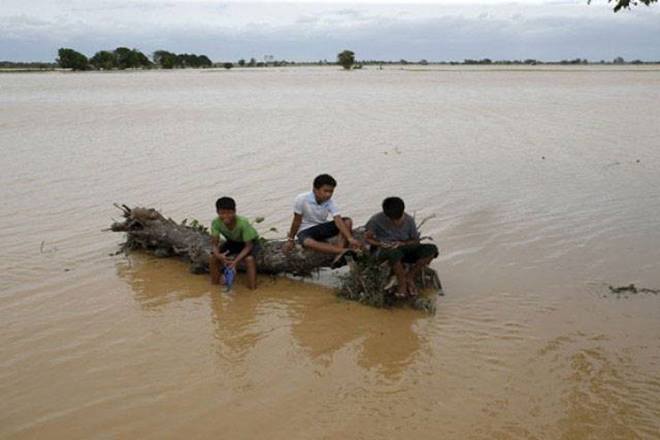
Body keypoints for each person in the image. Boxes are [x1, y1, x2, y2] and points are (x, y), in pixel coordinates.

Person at [365, 197, 438, 297]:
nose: (396, 223)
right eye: (392, 220)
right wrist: (380, 244)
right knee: (394, 253)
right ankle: (402, 283)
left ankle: (410, 276)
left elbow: (415, 240)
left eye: (398, 219)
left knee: (431, 249)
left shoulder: (409, 220)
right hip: (385, 249)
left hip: (403, 247)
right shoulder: (375, 220)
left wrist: (402, 243)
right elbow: (367, 238)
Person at [283, 174, 361, 267]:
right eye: (325, 191)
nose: (328, 194)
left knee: (347, 221)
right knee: (307, 242)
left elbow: (338, 220)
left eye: (331, 191)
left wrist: (350, 238)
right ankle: (343, 251)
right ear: (315, 190)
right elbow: (296, 221)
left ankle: (338, 255)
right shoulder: (301, 199)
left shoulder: (330, 202)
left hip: (321, 226)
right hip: (306, 229)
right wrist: (290, 239)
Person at [209, 197, 259, 290]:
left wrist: (235, 262)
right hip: (232, 242)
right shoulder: (216, 222)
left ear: (235, 211)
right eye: (222, 213)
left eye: (229, 213)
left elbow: (249, 246)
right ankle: (214, 286)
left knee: (249, 260)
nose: (226, 216)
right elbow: (214, 245)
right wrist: (219, 255)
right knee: (213, 257)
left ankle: (252, 288)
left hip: (249, 243)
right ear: (217, 212)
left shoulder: (243, 223)